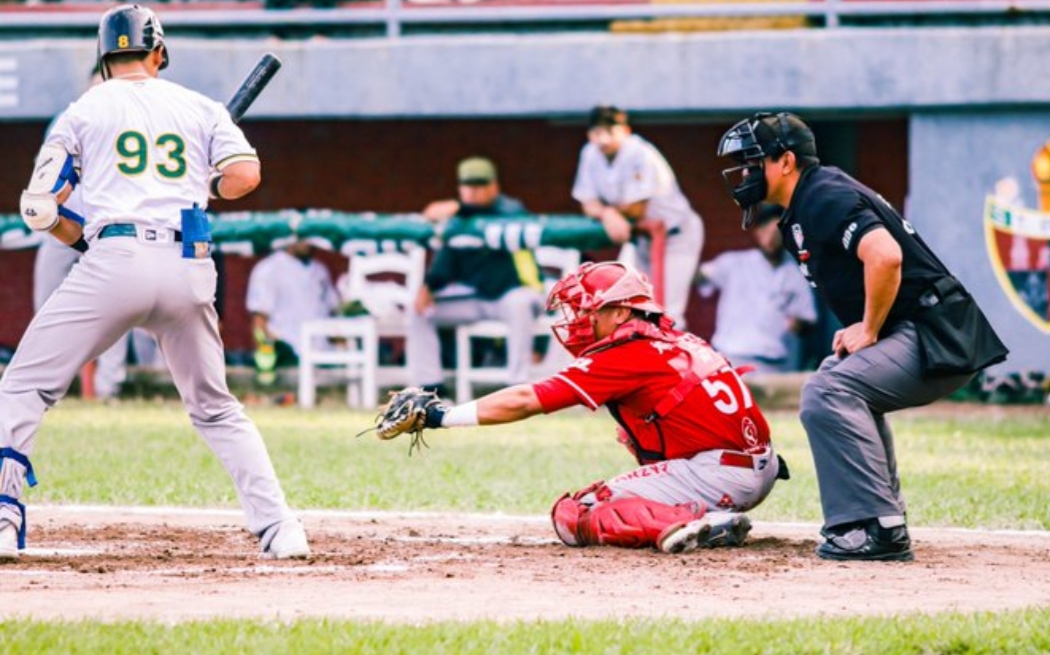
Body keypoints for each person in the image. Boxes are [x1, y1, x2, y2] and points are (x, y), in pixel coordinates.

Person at [1, 5, 309, 561]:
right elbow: (245, 175)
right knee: (215, 408)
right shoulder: (200, 107)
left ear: (104, 55)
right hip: (188, 264)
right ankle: (281, 528)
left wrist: (86, 243)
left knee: (24, 387)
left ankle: (3, 516)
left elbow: (38, 210)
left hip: (114, 257)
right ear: (159, 53)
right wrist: (208, 180)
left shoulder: (82, 110)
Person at [716, 111, 1007, 561]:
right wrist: (864, 331)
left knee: (828, 390)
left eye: (754, 162)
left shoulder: (823, 194)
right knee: (836, 377)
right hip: (923, 329)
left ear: (787, 161)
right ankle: (882, 517)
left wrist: (869, 329)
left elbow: (885, 256)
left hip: (938, 333)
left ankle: (877, 527)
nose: (746, 174)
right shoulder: (803, 206)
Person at [384, 261, 788, 553]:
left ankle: (699, 523)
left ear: (622, 311)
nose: (577, 319)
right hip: (757, 464)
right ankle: (708, 513)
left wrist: (440, 416)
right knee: (631, 444)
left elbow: (528, 400)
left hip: (720, 473)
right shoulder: (680, 339)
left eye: (587, 310)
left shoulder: (627, 352)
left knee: (576, 513)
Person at [409, 157, 544, 394]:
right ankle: (431, 388)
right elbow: (446, 258)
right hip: (476, 298)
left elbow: (512, 216)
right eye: (468, 185)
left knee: (519, 303)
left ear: (494, 187)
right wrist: (428, 288)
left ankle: (518, 387)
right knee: (419, 310)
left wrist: (459, 209)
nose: (473, 191)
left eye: (480, 185)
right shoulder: (458, 221)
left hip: (514, 292)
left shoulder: (511, 210)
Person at [571, 105, 704, 329]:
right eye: (597, 132)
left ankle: (670, 363)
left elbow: (637, 208)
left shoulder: (640, 152)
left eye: (610, 131)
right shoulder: (590, 153)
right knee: (635, 307)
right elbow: (586, 202)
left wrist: (608, 213)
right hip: (643, 239)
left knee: (667, 312)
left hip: (676, 236)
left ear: (625, 130)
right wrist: (607, 213)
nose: (603, 139)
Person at [696, 203, 817, 373]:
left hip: (774, 363)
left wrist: (797, 324)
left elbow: (808, 320)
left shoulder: (795, 275)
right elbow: (698, 276)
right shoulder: (734, 262)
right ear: (757, 233)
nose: (770, 238)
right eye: (766, 231)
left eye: (776, 232)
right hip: (731, 358)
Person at [245, 237, 340, 379]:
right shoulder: (268, 269)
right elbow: (259, 321)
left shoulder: (320, 270)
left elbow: (333, 312)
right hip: (287, 355)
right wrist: (266, 361)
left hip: (322, 354)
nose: (308, 242)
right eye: (302, 237)